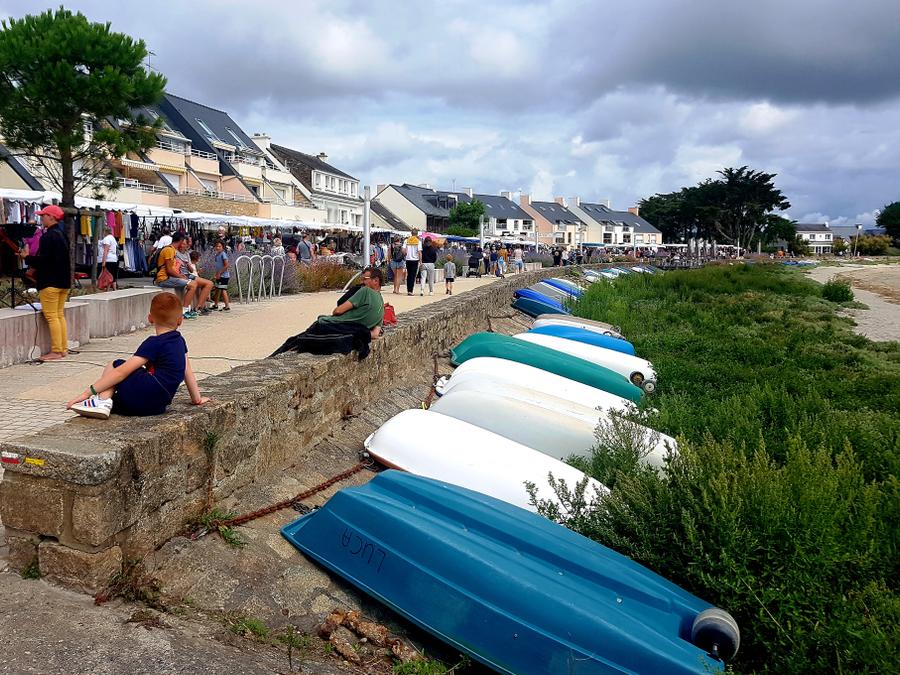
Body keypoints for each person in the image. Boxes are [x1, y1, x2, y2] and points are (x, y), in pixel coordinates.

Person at [65, 293, 209, 419]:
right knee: (118, 398)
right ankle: (106, 402)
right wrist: (197, 399)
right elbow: (187, 372)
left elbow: (121, 372)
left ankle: (102, 401)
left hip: (144, 394)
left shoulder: (153, 343)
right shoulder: (180, 341)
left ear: (150, 318)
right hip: (157, 406)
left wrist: (87, 393)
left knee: (116, 364)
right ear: (180, 320)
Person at [19, 205, 70, 361]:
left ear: (52, 217)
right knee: (59, 315)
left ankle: (57, 351)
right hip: (63, 281)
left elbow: (44, 261)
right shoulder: (62, 235)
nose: (42, 219)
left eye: (44, 216)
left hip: (50, 282)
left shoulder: (48, 237)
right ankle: (63, 349)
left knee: (52, 316)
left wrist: (27, 258)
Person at [154, 232, 211, 319]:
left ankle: (189, 309)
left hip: (168, 277)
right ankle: (184, 311)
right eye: (183, 242)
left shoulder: (171, 249)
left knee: (193, 283)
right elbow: (169, 270)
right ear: (180, 240)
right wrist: (180, 276)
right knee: (193, 284)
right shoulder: (169, 250)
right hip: (163, 279)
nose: (184, 244)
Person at [97, 223, 118, 290]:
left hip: (108, 259)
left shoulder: (107, 239)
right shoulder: (113, 238)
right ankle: (114, 289)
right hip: (114, 259)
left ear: (105, 232)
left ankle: (108, 290)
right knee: (113, 275)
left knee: (107, 275)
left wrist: (103, 262)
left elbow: (106, 250)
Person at [211, 240, 231, 311]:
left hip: (224, 276)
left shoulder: (223, 254)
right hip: (219, 275)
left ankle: (227, 306)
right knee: (217, 289)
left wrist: (219, 273)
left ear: (223, 247)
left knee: (223, 290)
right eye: (216, 246)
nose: (218, 248)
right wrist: (217, 274)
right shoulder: (217, 255)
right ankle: (216, 304)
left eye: (219, 246)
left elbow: (226, 265)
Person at [403, 230, 422, 295]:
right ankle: (410, 290)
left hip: (408, 259)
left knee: (409, 275)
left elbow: (403, 250)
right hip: (415, 260)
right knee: (413, 275)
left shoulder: (406, 240)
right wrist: (420, 261)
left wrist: (405, 254)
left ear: (411, 233)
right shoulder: (418, 241)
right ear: (417, 234)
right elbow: (419, 252)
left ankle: (408, 289)